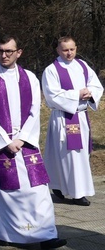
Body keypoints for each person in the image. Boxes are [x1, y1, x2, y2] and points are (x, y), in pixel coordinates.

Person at [0, 35, 66, 250]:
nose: (4, 55)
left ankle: (45, 233)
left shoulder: (30, 78)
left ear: (19, 52)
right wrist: (5, 142)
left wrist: (22, 138)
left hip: (25, 143)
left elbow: (35, 110)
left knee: (38, 188)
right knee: (0, 191)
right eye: (0, 51)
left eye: (8, 51)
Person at [42, 36, 104, 206]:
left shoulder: (82, 66)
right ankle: (62, 189)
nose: (69, 53)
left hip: (81, 117)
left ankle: (77, 190)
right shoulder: (51, 70)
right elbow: (51, 95)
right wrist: (77, 94)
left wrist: (90, 93)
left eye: (72, 49)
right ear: (58, 50)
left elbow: (96, 85)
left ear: (76, 48)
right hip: (63, 117)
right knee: (63, 155)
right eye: (65, 50)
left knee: (79, 155)